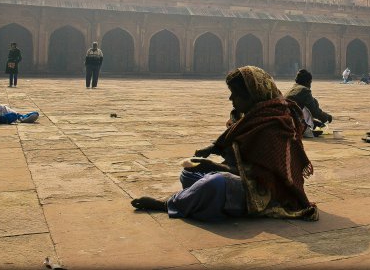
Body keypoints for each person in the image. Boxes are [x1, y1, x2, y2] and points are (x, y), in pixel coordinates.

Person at [131, 66, 319, 222]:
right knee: (188, 173)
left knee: (216, 183)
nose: (231, 99)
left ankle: (168, 204)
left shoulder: (275, 124)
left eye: (235, 95)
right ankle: (203, 199)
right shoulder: (252, 116)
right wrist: (214, 148)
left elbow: (265, 176)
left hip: (267, 194)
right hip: (241, 180)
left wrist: (215, 166)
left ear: (252, 96)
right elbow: (231, 143)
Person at [284, 69, 333, 138]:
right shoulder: (304, 90)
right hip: (292, 122)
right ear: (308, 82)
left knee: (312, 103)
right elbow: (315, 111)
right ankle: (305, 129)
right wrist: (327, 117)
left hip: (285, 119)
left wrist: (312, 121)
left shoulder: (292, 89)